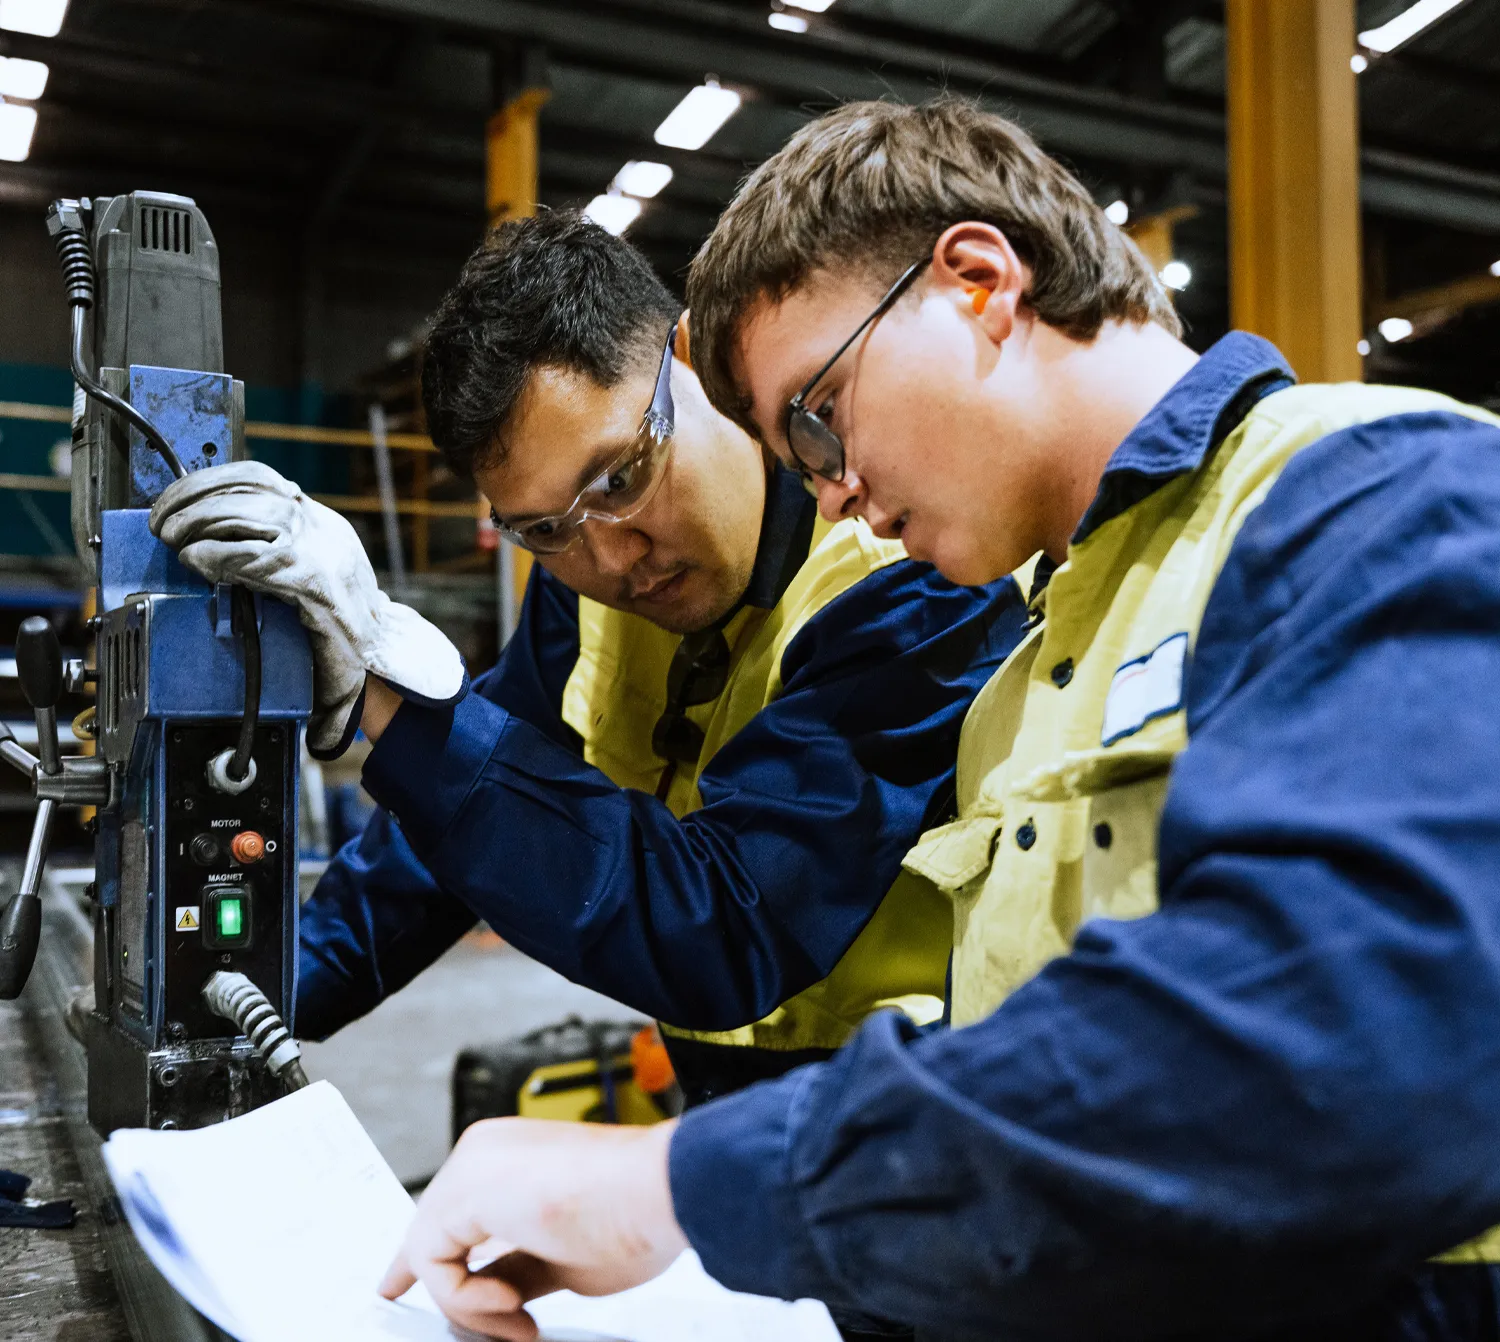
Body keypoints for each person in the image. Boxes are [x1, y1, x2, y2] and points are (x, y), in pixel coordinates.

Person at [377, 98, 1500, 1342]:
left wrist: (682, 1181)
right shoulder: (1033, 671)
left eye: (818, 414)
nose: (836, 494)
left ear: (976, 281)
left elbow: (1355, 1044)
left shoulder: (1376, 496)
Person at [148, 212, 1026, 1120]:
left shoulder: (907, 582)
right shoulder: (586, 585)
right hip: (730, 1109)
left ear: (692, 363)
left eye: (621, 476)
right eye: (543, 529)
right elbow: (469, 820)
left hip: (931, 1111)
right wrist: (248, 996)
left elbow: (724, 926)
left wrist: (385, 695)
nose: (612, 558)